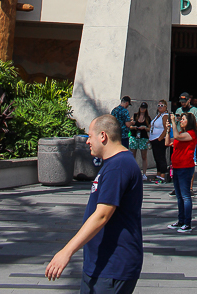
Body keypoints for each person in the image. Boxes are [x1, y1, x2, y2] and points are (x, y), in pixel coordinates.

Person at [45, 114, 143, 292]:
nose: (87, 141)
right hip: (101, 264)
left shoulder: (118, 166)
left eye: (90, 136)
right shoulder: (114, 163)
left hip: (112, 266)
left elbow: (102, 215)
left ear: (103, 136)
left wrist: (66, 252)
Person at [168, 111, 197, 233]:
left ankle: (187, 223)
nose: (181, 121)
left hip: (185, 167)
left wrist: (174, 122)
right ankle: (180, 221)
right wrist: (168, 128)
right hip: (177, 167)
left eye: (183, 119)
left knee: (185, 196)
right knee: (179, 196)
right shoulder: (181, 133)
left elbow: (177, 137)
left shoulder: (191, 134)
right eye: (181, 119)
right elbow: (168, 142)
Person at [129, 102, 151, 181]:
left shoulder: (147, 118)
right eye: (141, 107)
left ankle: (144, 173)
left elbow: (149, 129)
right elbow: (129, 125)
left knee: (144, 156)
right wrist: (134, 126)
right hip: (134, 136)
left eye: (144, 108)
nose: (142, 109)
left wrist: (144, 128)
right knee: (132, 155)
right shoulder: (135, 116)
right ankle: (132, 172)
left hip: (143, 137)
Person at [149, 100, 170, 184]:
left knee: (161, 158)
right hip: (153, 139)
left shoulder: (165, 116)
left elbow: (166, 128)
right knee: (156, 158)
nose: (160, 107)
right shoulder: (158, 116)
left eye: (162, 105)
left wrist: (160, 138)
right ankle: (158, 175)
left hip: (159, 140)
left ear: (165, 107)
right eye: (158, 105)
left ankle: (163, 176)